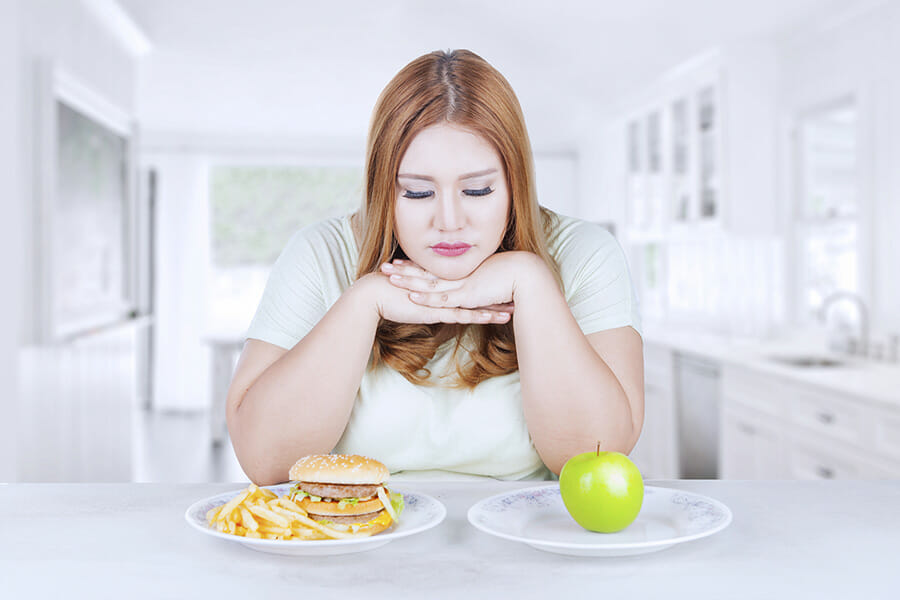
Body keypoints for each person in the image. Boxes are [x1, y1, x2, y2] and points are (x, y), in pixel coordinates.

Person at [226, 49, 644, 486]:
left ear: (514, 183)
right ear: (382, 190)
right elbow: (265, 463)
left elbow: (597, 457)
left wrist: (532, 283)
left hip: (522, 543)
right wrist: (362, 303)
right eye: (418, 193)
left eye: (478, 190)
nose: (448, 222)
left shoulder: (585, 254)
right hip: (356, 543)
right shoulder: (320, 254)